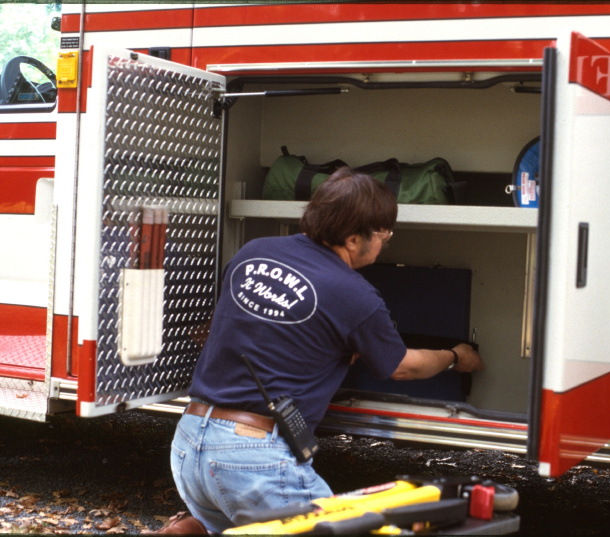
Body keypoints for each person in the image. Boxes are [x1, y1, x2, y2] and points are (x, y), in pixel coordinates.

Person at [163, 167, 484, 534]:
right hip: (252, 459)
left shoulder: (253, 252)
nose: (386, 240)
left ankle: (193, 528)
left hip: (189, 443)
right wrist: (456, 356)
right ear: (351, 239)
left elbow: (257, 326)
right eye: (383, 233)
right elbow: (403, 367)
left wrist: (332, 347)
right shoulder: (355, 294)